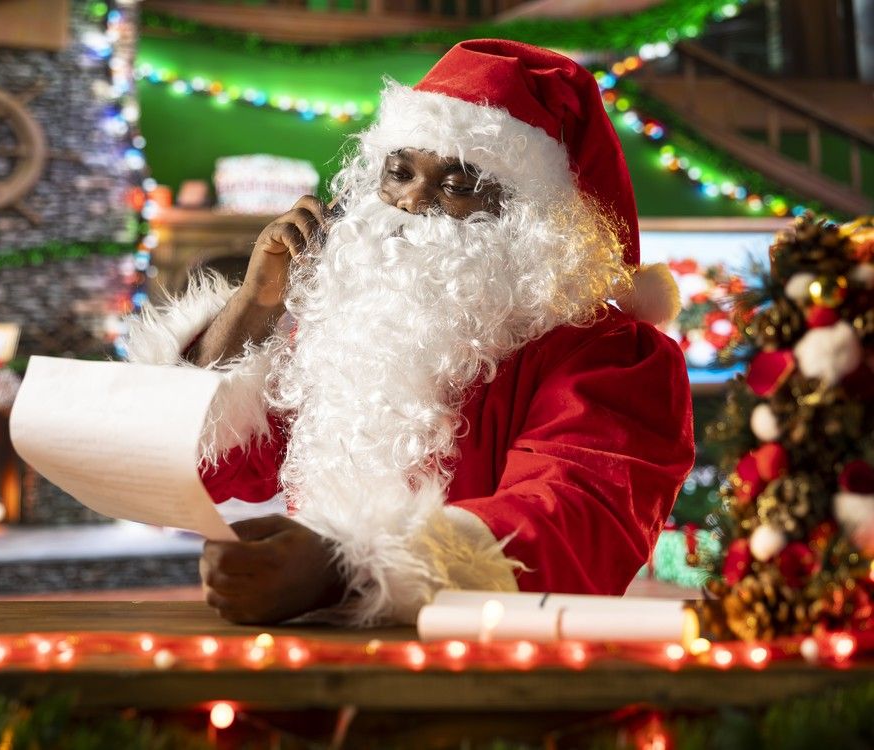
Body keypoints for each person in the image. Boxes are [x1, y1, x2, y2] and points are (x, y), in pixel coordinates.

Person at [128, 40, 696, 626]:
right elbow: (201, 461)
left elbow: (571, 526)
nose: (414, 202)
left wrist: (347, 567)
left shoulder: (611, 358)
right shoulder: (354, 329)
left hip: (494, 677)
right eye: (399, 173)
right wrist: (253, 307)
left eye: (459, 183)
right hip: (317, 663)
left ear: (533, 217)